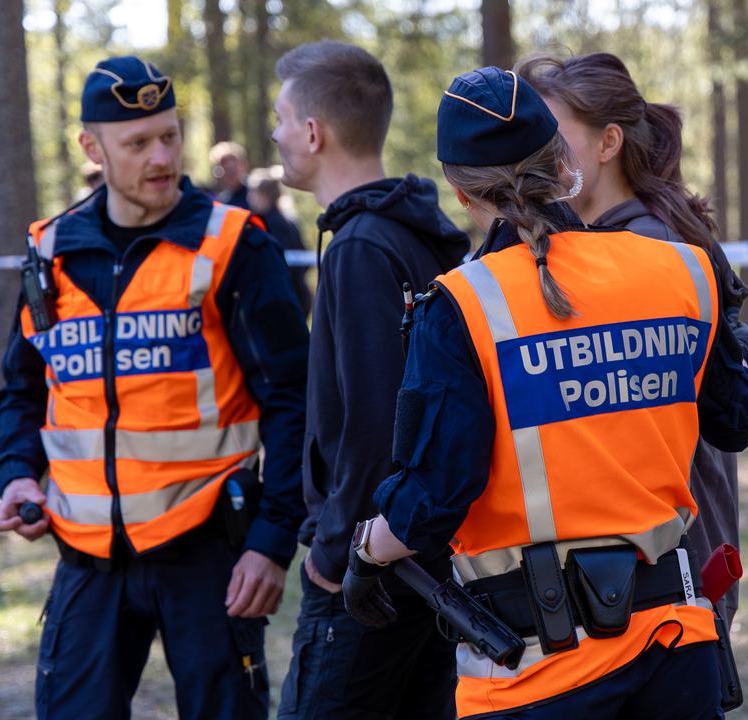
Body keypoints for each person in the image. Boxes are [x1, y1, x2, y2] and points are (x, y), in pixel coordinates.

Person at [341, 67, 748, 720]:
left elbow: (433, 497)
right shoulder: (682, 268)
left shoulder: (461, 304)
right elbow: (736, 420)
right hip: (677, 653)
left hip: (541, 674)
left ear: (458, 190)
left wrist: (367, 551)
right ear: (563, 165)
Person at [0, 56, 310, 719]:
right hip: (86, 556)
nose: (161, 156)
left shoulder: (231, 245)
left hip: (210, 554)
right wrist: (18, 475)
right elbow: (22, 390)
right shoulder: (51, 253)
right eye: (138, 143)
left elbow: (294, 397)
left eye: (170, 135)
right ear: (92, 147)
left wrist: (272, 541)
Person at [517, 52, 748, 627]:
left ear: (608, 143)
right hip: (661, 565)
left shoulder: (648, 249)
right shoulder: (623, 237)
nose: (536, 162)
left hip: (672, 568)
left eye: (553, 140)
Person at [270, 40, 469, 720]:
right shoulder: (408, 233)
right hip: (417, 553)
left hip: (369, 568)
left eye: (280, 118)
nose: (275, 134)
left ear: (313, 132)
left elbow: (372, 425)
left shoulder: (361, 248)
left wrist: (335, 552)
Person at [246, 168, 312, 316]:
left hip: (284, 299)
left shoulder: (273, 224)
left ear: (264, 195)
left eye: (252, 193)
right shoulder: (287, 220)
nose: (249, 198)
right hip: (295, 296)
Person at [211, 141, 251, 209]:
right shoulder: (220, 202)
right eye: (226, 168)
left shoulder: (254, 196)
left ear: (244, 166)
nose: (230, 172)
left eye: (234, 167)